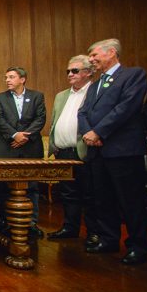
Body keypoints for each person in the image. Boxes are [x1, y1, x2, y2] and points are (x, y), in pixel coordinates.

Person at [78, 38, 147, 265]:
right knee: (103, 199)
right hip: (97, 151)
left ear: (111, 53)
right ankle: (109, 240)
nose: (91, 60)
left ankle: (138, 246)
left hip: (123, 151)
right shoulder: (96, 84)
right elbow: (83, 112)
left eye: (94, 55)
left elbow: (126, 108)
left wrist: (99, 132)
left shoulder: (133, 75)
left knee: (131, 201)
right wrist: (89, 133)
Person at [47, 55, 98, 245]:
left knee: (89, 193)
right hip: (63, 152)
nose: (70, 74)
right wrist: (54, 147)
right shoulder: (61, 95)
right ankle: (70, 227)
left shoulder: (94, 92)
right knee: (68, 193)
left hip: (84, 151)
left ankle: (93, 232)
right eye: (68, 71)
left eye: (74, 71)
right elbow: (55, 121)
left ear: (87, 72)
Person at [0, 67, 46, 238]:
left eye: (11, 77)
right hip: (8, 148)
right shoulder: (0, 98)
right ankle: (7, 223)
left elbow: (40, 119)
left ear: (22, 79)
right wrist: (15, 135)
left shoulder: (37, 96)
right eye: (6, 77)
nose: (7, 80)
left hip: (30, 148)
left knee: (32, 188)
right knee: (5, 188)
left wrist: (25, 136)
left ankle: (31, 224)